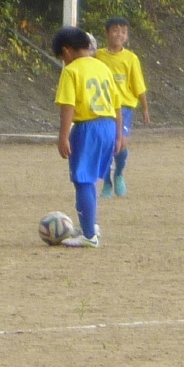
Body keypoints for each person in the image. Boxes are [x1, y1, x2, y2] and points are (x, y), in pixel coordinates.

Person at [53, 26, 123, 249]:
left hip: (87, 127)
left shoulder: (71, 71)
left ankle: (89, 236)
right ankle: (89, 225)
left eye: (61, 57)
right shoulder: (102, 67)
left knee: (82, 179)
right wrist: (119, 135)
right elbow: (117, 104)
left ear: (66, 51)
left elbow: (68, 106)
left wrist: (63, 137)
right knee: (90, 178)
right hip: (108, 125)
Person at [95, 16, 150, 198]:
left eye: (124, 32)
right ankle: (106, 181)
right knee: (105, 144)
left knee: (121, 142)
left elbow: (139, 85)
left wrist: (145, 108)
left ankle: (118, 172)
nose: (120, 35)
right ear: (107, 33)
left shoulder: (131, 58)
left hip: (124, 107)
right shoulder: (97, 56)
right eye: (115, 30)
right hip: (103, 107)